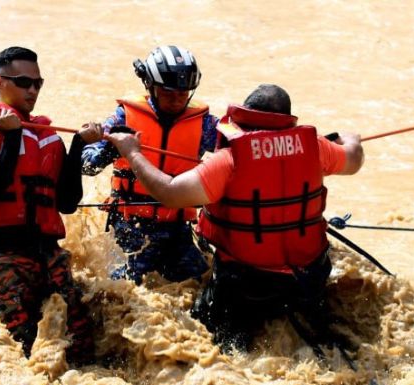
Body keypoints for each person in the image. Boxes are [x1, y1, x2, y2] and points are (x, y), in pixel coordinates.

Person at [105, 84, 365, 354]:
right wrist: (351, 139)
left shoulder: (229, 160)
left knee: (204, 341)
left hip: (246, 285)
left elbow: (170, 193)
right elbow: (354, 159)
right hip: (309, 277)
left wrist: (132, 152)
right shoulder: (316, 147)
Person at [0, 46, 103, 365]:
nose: (33, 90)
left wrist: (77, 145)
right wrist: (10, 138)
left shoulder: (46, 134)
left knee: (80, 343)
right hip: (0, 253)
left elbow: (66, 203)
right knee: (21, 345)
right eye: (24, 82)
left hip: (47, 250)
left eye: (38, 83)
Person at [81, 45, 218, 284]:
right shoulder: (125, 117)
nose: (176, 101)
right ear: (151, 87)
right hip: (130, 229)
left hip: (178, 229)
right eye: (168, 93)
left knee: (203, 285)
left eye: (183, 94)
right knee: (118, 291)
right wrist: (109, 148)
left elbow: (235, 149)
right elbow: (87, 165)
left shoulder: (204, 123)